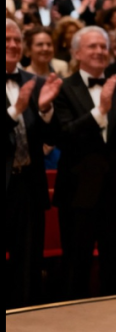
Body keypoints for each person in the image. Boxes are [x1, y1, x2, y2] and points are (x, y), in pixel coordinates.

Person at [52, 26, 116, 299]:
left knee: (114, 264)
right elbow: (63, 136)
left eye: (103, 46)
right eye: (92, 46)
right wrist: (100, 111)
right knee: (75, 265)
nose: (99, 51)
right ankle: (72, 323)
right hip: (78, 191)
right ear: (76, 52)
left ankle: (112, 322)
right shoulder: (63, 88)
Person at [6, 19, 62, 308]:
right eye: (7, 40)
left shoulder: (37, 82)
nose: (13, 45)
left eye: (16, 40)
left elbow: (53, 136)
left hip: (28, 184)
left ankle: (27, 316)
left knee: (28, 258)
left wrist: (46, 109)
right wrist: (15, 111)